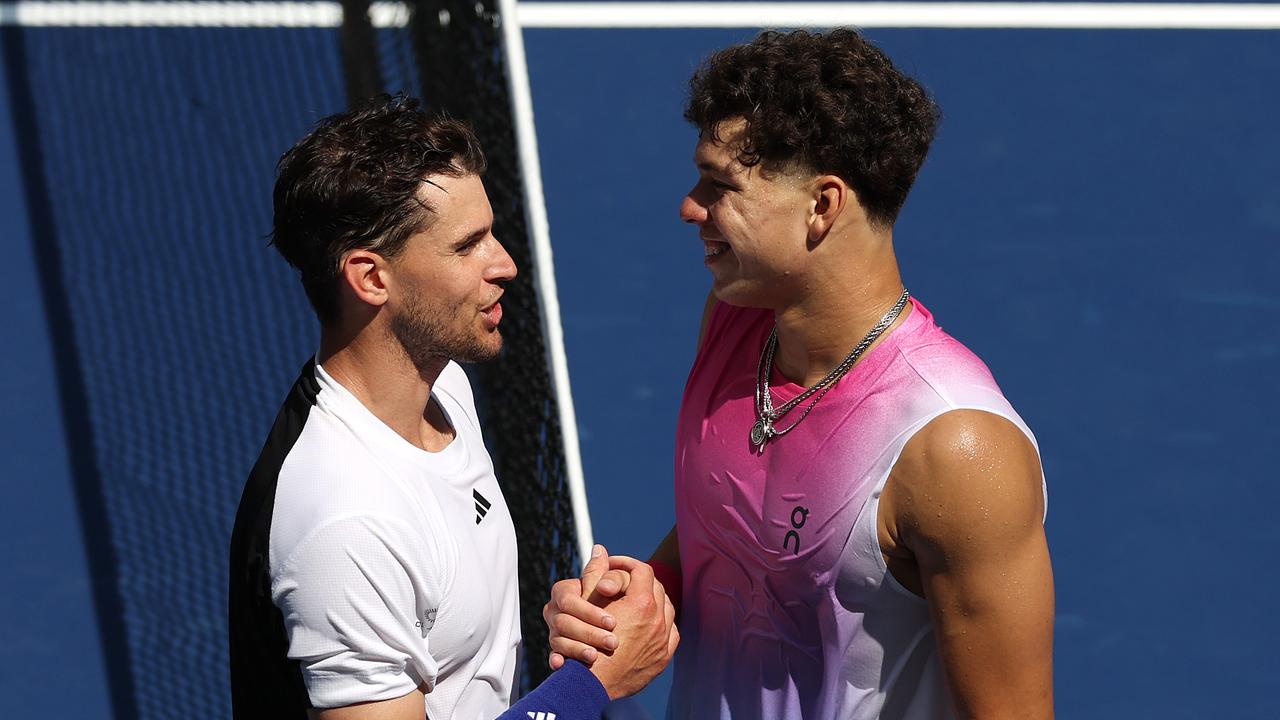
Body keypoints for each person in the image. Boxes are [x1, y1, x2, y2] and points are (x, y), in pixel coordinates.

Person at [544, 29, 1054, 718]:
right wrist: (640, 599)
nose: (689, 207)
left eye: (720, 186)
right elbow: (730, 535)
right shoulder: (732, 324)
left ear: (822, 206)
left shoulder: (955, 451)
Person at [228, 95, 677, 720]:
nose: (506, 265)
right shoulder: (348, 523)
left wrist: (574, 628)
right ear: (371, 278)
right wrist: (593, 685)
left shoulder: (444, 386)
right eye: (468, 247)